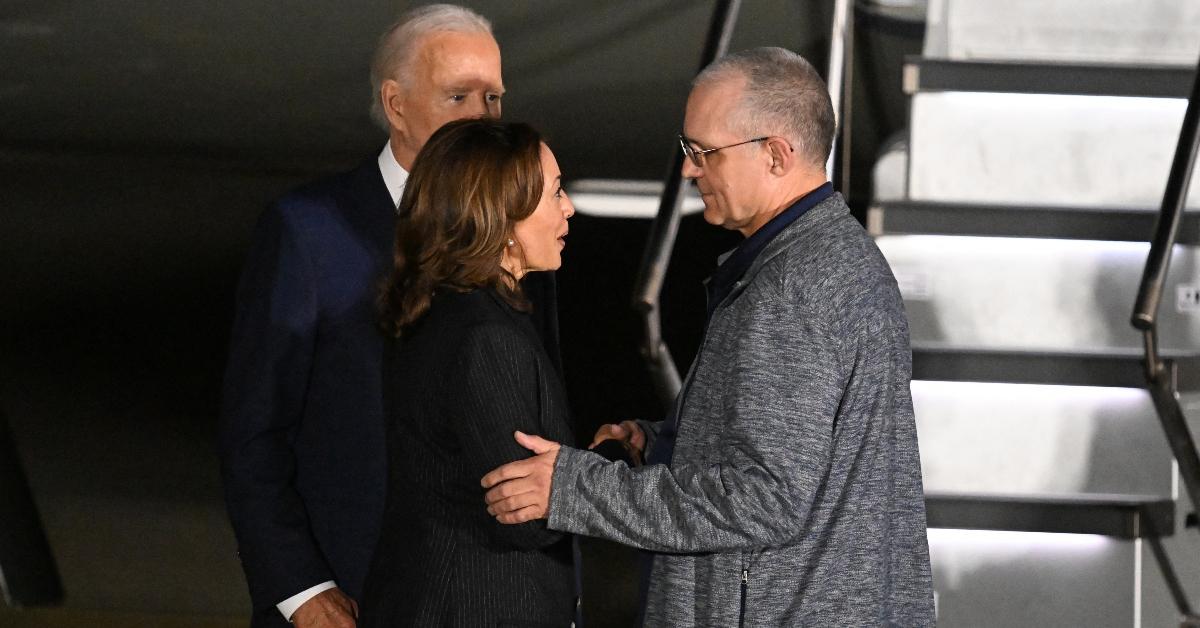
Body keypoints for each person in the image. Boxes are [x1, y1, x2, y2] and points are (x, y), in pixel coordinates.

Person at [482, 47, 935, 627]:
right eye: (687, 151)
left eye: (704, 153)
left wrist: (575, 489)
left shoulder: (796, 286)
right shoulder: (826, 260)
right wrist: (673, 445)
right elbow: (799, 464)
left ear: (775, 154)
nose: (690, 170)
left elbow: (764, 500)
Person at [219, 6, 559, 628]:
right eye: (458, 95)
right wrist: (299, 589)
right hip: (348, 597)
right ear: (396, 104)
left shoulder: (519, 235)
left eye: (493, 97)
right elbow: (253, 430)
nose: (481, 116)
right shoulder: (308, 232)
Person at [360, 118, 577, 627]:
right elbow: (529, 516)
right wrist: (612, 469)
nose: (568, 209)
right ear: (501, 218)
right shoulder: (486, 337)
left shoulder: (439, 309)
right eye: (555, 193)